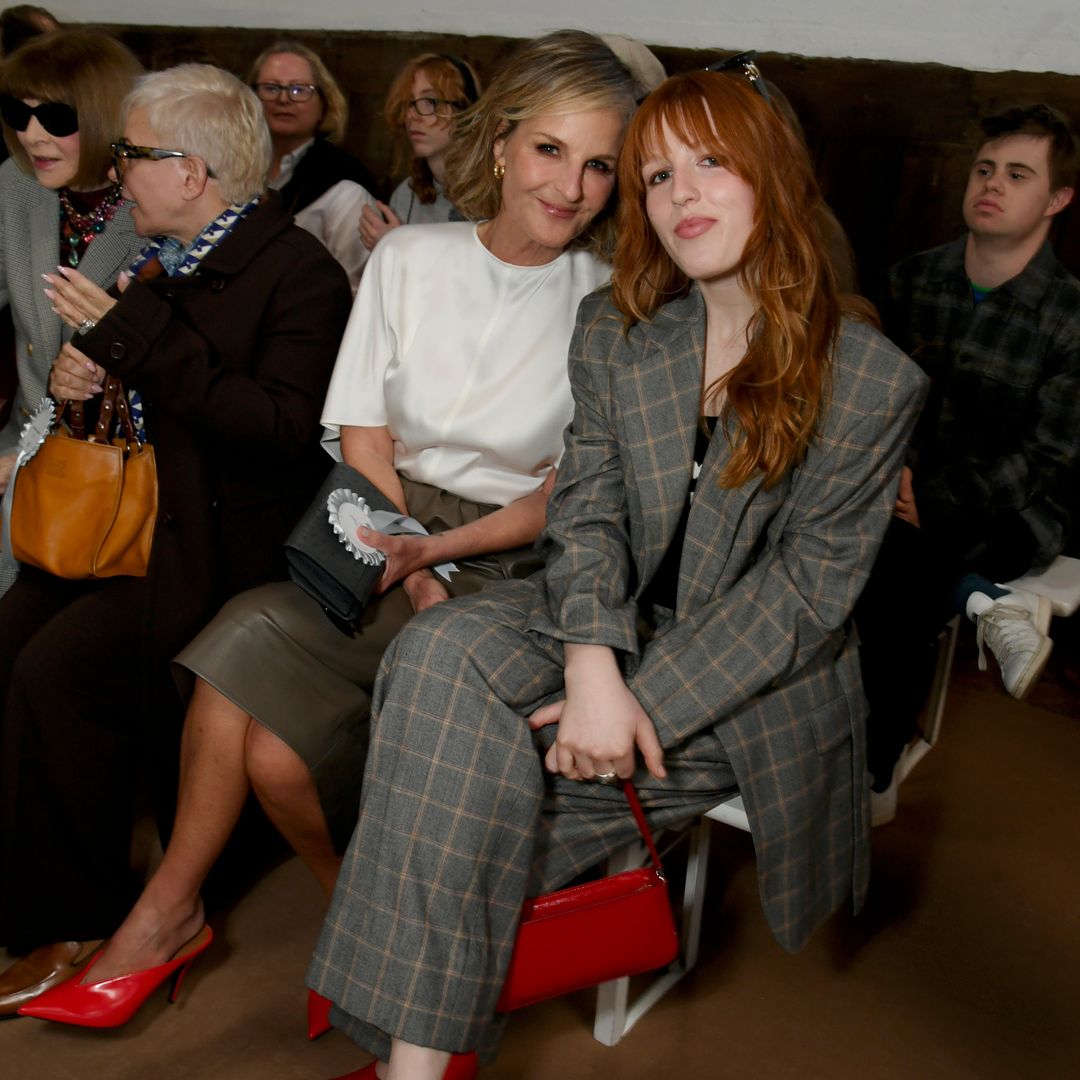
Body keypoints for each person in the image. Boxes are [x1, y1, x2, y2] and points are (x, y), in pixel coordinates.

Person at [308, 66, 927, 1079]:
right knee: (435, 657)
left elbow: (802, 603)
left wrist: (634, 702)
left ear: (772, 174)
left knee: (455, 801)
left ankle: (411, 1059)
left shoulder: (870, 381)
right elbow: (587, 509)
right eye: (654, 176)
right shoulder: (622, 333)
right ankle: (424, 1060)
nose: (681, 195)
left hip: (750, 675)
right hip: (603, 614)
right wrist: (593, 663)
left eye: (711, 163)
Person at [17, 31, 642, 1031]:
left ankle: (201, 925)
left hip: (518, 557)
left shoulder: (613, 301)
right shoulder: (412, 258)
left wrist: (438, 559)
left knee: (272, 751)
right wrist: (402, 542)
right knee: (233, 669)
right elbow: (361, 432)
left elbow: (574, 493)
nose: (570, 185)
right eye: (550, 150)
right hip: (372, 517)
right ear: (504, 144)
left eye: (600, 162)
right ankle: (218, 921)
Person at [0, 62, 351, 1017]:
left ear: (192, 172)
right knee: (9, 638)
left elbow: (281, 435)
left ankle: (69, 920)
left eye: (134, 157)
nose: (117, 175)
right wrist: (80, 391)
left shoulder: (300, 273)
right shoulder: (160, 258)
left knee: (58, 673)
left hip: (218, 549)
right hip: (130, 525)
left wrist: (131, 342)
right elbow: (136, 392)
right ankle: (26, 892)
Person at [858, 103, 1080, 820]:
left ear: (1056, 200)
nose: (992, 184)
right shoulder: (912, 280)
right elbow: (874, 395)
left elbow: (1049, 456)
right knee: (847, 544)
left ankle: (873, 769)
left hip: (1015, 510)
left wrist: (938, 500)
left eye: (1018, 175)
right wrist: (894, 477)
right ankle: (987, 600)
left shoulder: (1071, 316)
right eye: (985, 168)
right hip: (900, 487)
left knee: (899, 568)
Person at [0, 29, 143, 593]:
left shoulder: (151, 204)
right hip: (20, 440)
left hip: (111, 467)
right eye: (17, 112)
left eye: (57, 118)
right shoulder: (15, 185)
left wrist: (28, 457)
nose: (32, 135)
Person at [248, 40, 380, 290]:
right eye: (271, 88)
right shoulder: (233, 171)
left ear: (324, 103)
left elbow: (356, 288)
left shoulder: (345, 184)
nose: (284, 99)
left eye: (300, 89)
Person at [358, 52, 481, 253]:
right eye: (409, 103)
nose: (412, 116)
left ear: (466, 112)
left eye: (430, 102)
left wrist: (396, 245)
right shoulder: (407, 193)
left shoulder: (491, 192)